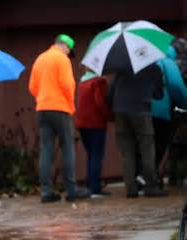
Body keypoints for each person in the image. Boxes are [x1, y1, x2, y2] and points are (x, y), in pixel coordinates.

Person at [29, 34, 87, 203]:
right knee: (67, 147)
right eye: (69, 50)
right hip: (60, 109)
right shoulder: (62, 59)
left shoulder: (40, 59)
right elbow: (68, 85)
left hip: (42, 108)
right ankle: (71, 190)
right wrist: (70, 106)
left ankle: (46, 192)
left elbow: (32, 87)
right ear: (65, 46)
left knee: (46, 149)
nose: (69, 54)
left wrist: (43, 98)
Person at [109, 63, 166, 197]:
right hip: (141, 110)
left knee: (126, 151)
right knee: (147, 149)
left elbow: (110, 92)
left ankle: (131, 189)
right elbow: (159, 95)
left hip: (120, 111)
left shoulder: (122, 67)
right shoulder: (154, 68)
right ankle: (150, 187)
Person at [152, 46, 187, 182]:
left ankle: (143, 178)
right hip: (161, 111)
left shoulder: (145, 62)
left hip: (140, 110)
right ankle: (156, 178)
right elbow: (176, 86)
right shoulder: (167, 63)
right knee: (162, 145)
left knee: (144, 147)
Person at [74, 69, 112, 198]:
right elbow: (100, 102)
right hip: (95, 123)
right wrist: (110, 116)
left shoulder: (82, 82)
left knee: (91, 155)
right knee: (96, 155)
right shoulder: (98, 81)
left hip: (82, 123)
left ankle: (91, 186)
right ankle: (95, 188)